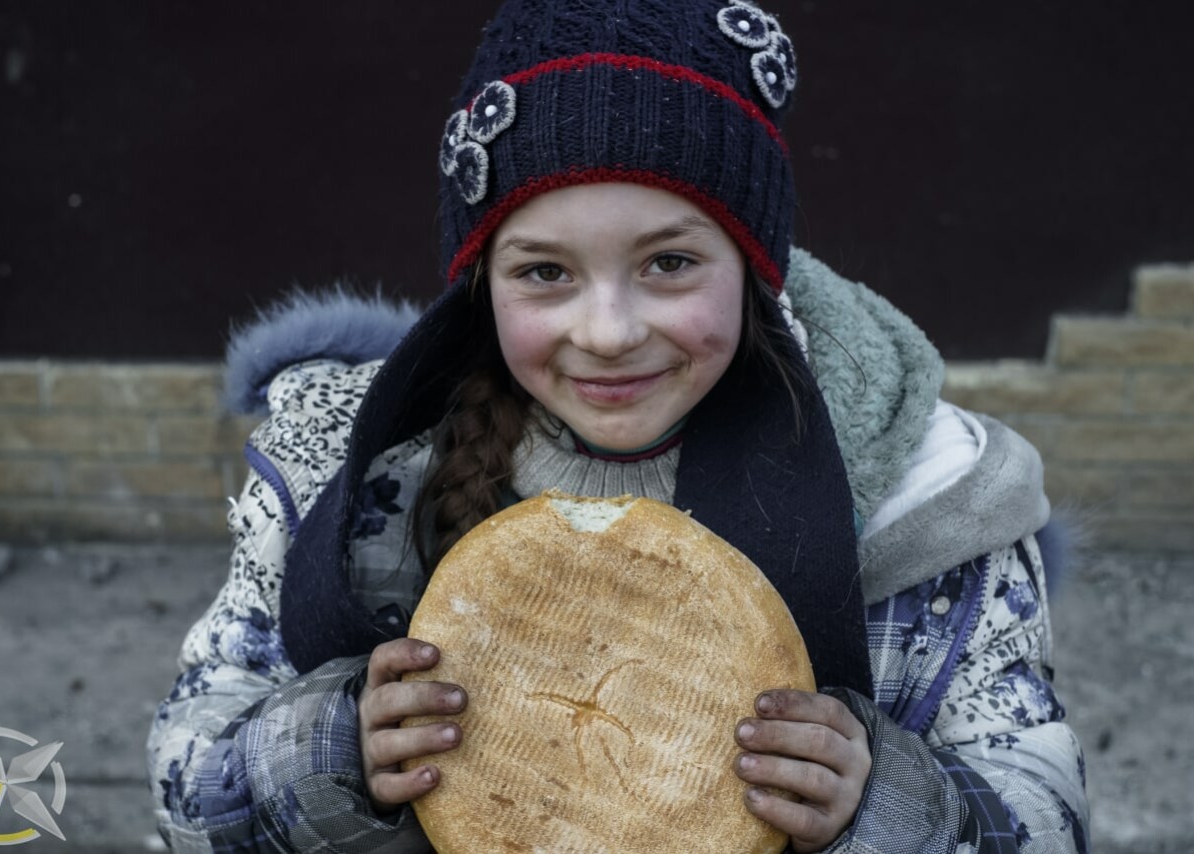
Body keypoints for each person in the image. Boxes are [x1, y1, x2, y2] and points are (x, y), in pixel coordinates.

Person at [146, 1, 1089, 851]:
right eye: (544, 273)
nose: (608, 332)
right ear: (482, 281)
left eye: (670, 262)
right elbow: (183, 784)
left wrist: (885, 807)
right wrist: (323, 752)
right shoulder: (349, 486)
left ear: (753, 265)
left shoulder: (925, 502)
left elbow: (1045, 815)